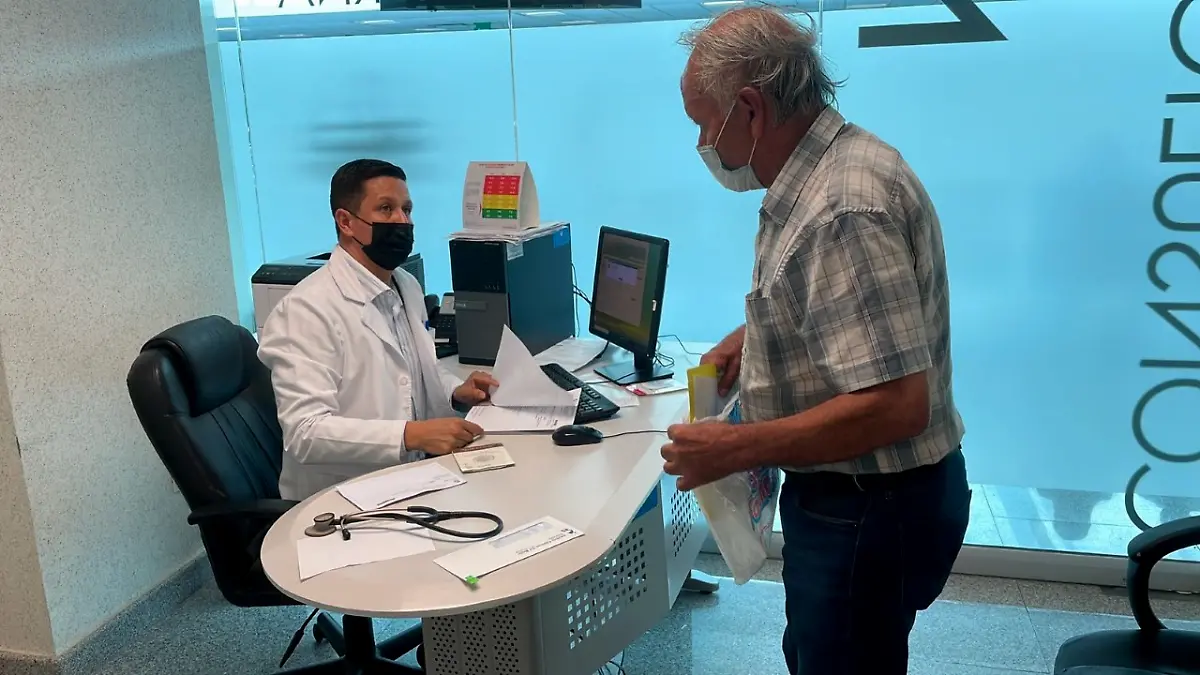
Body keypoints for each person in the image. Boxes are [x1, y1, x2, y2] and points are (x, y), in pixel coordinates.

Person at [663, 8, 969, 675]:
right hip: (859, 499)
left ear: (751, 109)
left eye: (703, 123)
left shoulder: (842, 206)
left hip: (868, 506)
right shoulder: (826, 170)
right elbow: (838, 305)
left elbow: (897, 405)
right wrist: (753, 334)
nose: (702, 144)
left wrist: (739, 446)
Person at [259, 159, 497, 501]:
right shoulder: (306, 310)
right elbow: (305, 433)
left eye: (407, 209)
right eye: (386, 209)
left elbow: (412, 374)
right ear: (346, 222)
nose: (402, 221)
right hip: (341, 500)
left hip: (410, 479)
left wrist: (455, 392)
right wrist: (410, 435)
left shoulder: (405, 284)